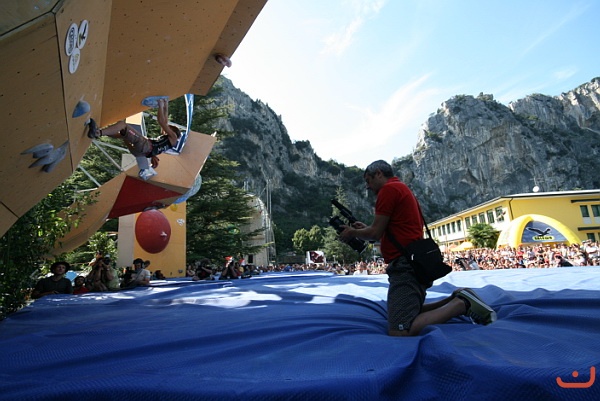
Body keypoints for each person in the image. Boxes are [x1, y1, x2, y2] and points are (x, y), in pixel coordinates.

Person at [340, 160, 496, 337]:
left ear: (378, 174)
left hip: (405, 265)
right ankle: (458, 298)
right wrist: (364, 229)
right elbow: (390, 232)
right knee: (409, 312)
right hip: (412, 261)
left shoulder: (388, 190)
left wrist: (352, 232)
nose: (367, 186)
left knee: (400, 330)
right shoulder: (400, 188)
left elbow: (375, 233)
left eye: (368, 180)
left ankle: (462, 305)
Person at [87, 98, 181, 180]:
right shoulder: (169, 140)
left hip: (145, 146)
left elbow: (162, 122)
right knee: (123, 134)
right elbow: (165, 122)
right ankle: (100, 133)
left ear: (173, 131)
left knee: (123, 125)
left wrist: (160, 104)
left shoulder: (173, 136)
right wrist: (165, 105)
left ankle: (97, 133)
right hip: (140, 153)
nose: (166, 130)